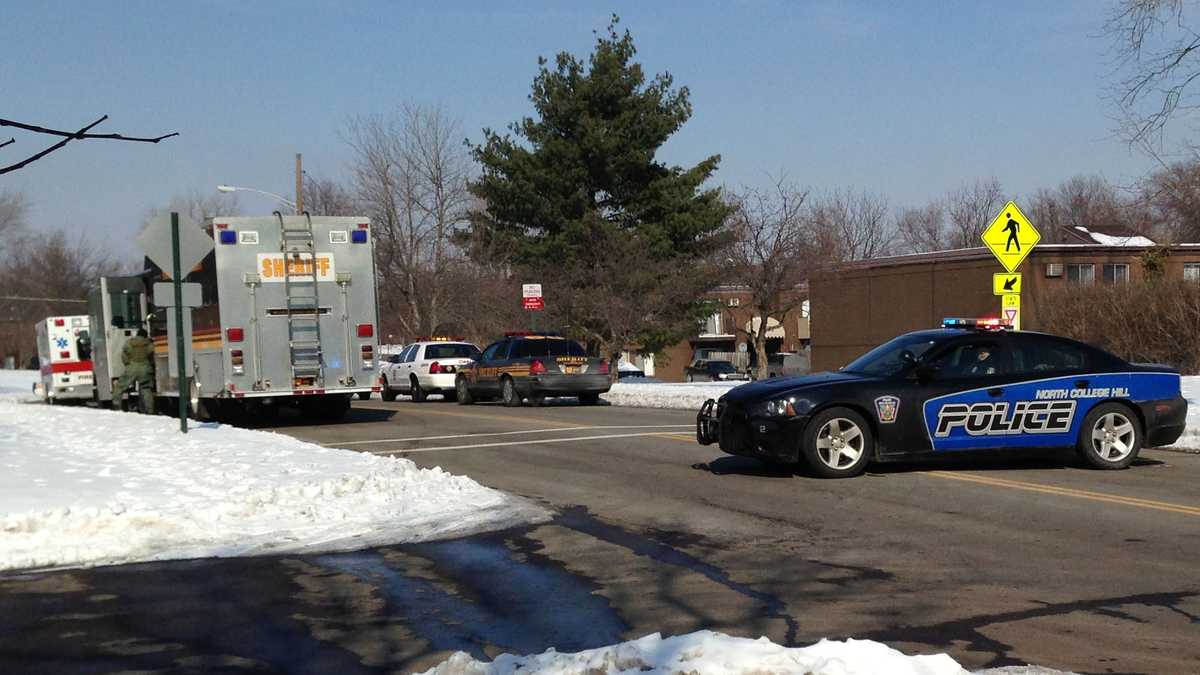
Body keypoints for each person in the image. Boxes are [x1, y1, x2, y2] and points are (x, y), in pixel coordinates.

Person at [118, 328, 156, 413]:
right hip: (145, 368)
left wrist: (128, 364)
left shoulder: (129, 342)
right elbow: (152, 354)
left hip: (132, 368)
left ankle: (117, 406)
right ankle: (150, 410)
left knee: (120, 387)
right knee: (146, 389)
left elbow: (124, 356)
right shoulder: (148, 343)